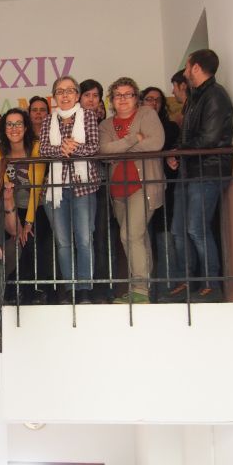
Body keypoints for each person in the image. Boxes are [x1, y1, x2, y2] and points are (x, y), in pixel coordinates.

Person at [163, 49, 233, 303]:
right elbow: (190, 137)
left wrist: (180, 151)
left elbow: (209, 139)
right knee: (178, 230)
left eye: (187, 66)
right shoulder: (196, 97)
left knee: (196, 228)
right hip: (190, 171)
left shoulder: (216, 96)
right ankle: (187, 282)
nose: (184, 72)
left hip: (208, 171)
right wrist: (177, 153)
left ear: (195, 68)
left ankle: (210, 284)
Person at [99, 77, 165, 304]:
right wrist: (132, 140)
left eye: (128, 94)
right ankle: (145, 289)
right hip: (118, 189)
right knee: (139, 236)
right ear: (112, 100)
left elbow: (156, 143)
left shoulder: (146, 114)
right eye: (118, 95)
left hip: (143, 185)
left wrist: (121, 148)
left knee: (130, 234)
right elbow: (104, 150)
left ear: (136, 98)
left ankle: (139, 289)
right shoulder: (106, 125)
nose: (124, 99)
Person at [39, 75, 100, 305]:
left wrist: (70, 149)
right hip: (54, 190)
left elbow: (94, 147)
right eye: (60, 91)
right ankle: (71, 288)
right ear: (54, 97)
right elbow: (45, 149)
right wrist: (65, 149)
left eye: (69, 91)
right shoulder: (47, 121)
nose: (65, 95)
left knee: (84, 239)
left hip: (83, 187)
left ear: (76, 95)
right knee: (63, 243)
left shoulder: (89, 116)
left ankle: (85, 289)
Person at [0, 107, 49, 304]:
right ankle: (11, 291)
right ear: (4, 129)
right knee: (13, 242)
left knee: (30, 241)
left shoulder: (36, 147)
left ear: (25, 128)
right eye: (9, 124)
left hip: (37, 206)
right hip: (11, 207)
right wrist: (16, 223)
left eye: (18, 124)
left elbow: (36, 187)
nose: (13, 128)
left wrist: (28, 223)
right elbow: (7, 189)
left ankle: (28, 292)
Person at [141, 86, 182, 297]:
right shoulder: (135, 128)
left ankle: (167, 290)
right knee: (142, 241)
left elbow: (164, 148)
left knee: (164, 238)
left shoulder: (170, 127)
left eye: (157, 100)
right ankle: (146, 291)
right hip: (139, 190)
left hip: (165, 190)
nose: (153, 103)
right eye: (149, 99)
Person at [80, 78, 117, 303]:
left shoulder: (105, 124)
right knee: (84, 239)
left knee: (102, 238)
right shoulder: (70, 123)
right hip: (80, 188)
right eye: (87, 95)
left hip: (102, 187)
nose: (92, 100)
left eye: (96, 96)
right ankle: (84, 288)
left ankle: (104, 289)